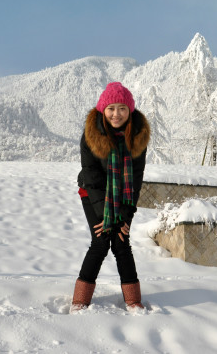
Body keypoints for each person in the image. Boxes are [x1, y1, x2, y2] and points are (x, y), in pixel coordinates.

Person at [71, 82, 151, 312]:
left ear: (130, 110)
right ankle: (80, 299)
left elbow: (135, 178)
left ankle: (133, 300)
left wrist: (124, 216)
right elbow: (92, 175)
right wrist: (102, 217)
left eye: (122, 108)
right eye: (111, 109)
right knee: (101, 239)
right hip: (93, 192)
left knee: (121, 241)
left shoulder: (137, 135)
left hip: (123, 196)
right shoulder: (91, 134)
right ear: (103, 110)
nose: (117, 114)